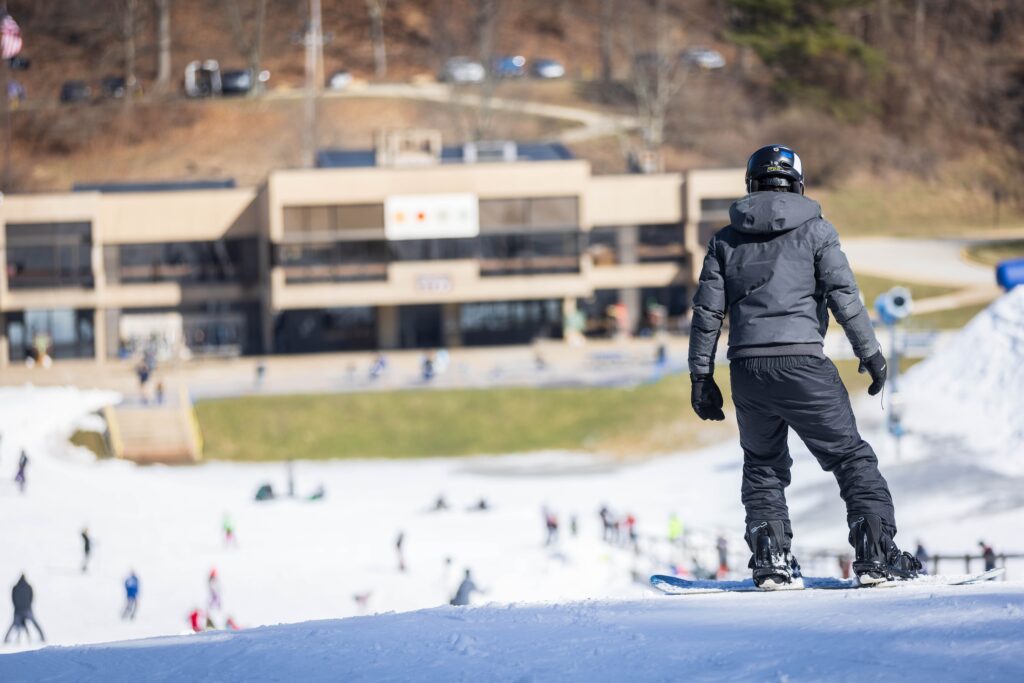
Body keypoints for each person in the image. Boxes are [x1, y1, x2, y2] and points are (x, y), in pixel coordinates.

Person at [688, 144, 920, 589]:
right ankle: (875, 553)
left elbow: (707, 314)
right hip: (803, 365)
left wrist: (701, 378)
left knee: (762, 464)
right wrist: (870, 355)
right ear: (797, 183)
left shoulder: (724, 240)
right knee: (850, 456)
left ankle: (770, 558)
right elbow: (844, 297)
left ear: (751, 184)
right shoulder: (817, 231)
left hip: (748, 372)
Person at [4, 575, 45, 644]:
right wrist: (28, 606)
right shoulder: (29, 587)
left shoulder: (15, 587)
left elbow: (13, 598)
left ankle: (6, 639)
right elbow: (31, 597)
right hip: (27, 609)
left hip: (18, 610)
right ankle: (42, 637)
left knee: (14, 625)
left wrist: (17, 607)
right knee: (35, 623)